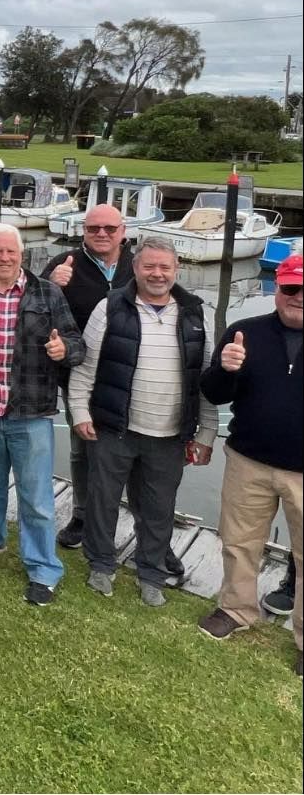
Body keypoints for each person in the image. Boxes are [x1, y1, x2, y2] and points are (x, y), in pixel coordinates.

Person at [68, 236, 217, 607]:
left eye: (165, 267)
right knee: (102, 499)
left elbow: (205, 379)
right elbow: (86, 367)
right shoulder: (110, 306)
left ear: (176, 269)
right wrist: (80, 411)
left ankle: (151, 570)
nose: (157, 274)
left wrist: (208, 432)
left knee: (159, 507)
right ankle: (101, 564)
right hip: (114, 426)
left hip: (169, 434)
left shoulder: (196, 313)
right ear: (135, 268)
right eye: (149, 266)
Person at [0, 223, 84, 606]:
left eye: (11, 252)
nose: (5, 258)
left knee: (37, 497)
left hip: (31, 411)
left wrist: (65, 351)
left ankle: (43, 568)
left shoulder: (48, 293)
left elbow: (76, 343)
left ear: (21, 255)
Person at [196, 253, 301, 676]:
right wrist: (224, 368)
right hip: (248, 459)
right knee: (239, 542)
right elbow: (214, 392)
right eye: (291, 288)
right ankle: (236, 610)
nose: (298, 297)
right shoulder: (244, 332)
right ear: (278, 288)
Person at [40, 203, 136, 550]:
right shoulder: (65, 263)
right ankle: (82, 512)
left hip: (130, 373)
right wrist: (51, 285)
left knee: (133, 450)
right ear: (84, 230)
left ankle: (144, 525)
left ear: (123, 231)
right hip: (78, 371)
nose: (102, 234)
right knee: (83, 444)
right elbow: (34, 309)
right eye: (94, 227)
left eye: (110, 228)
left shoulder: (137, 265)